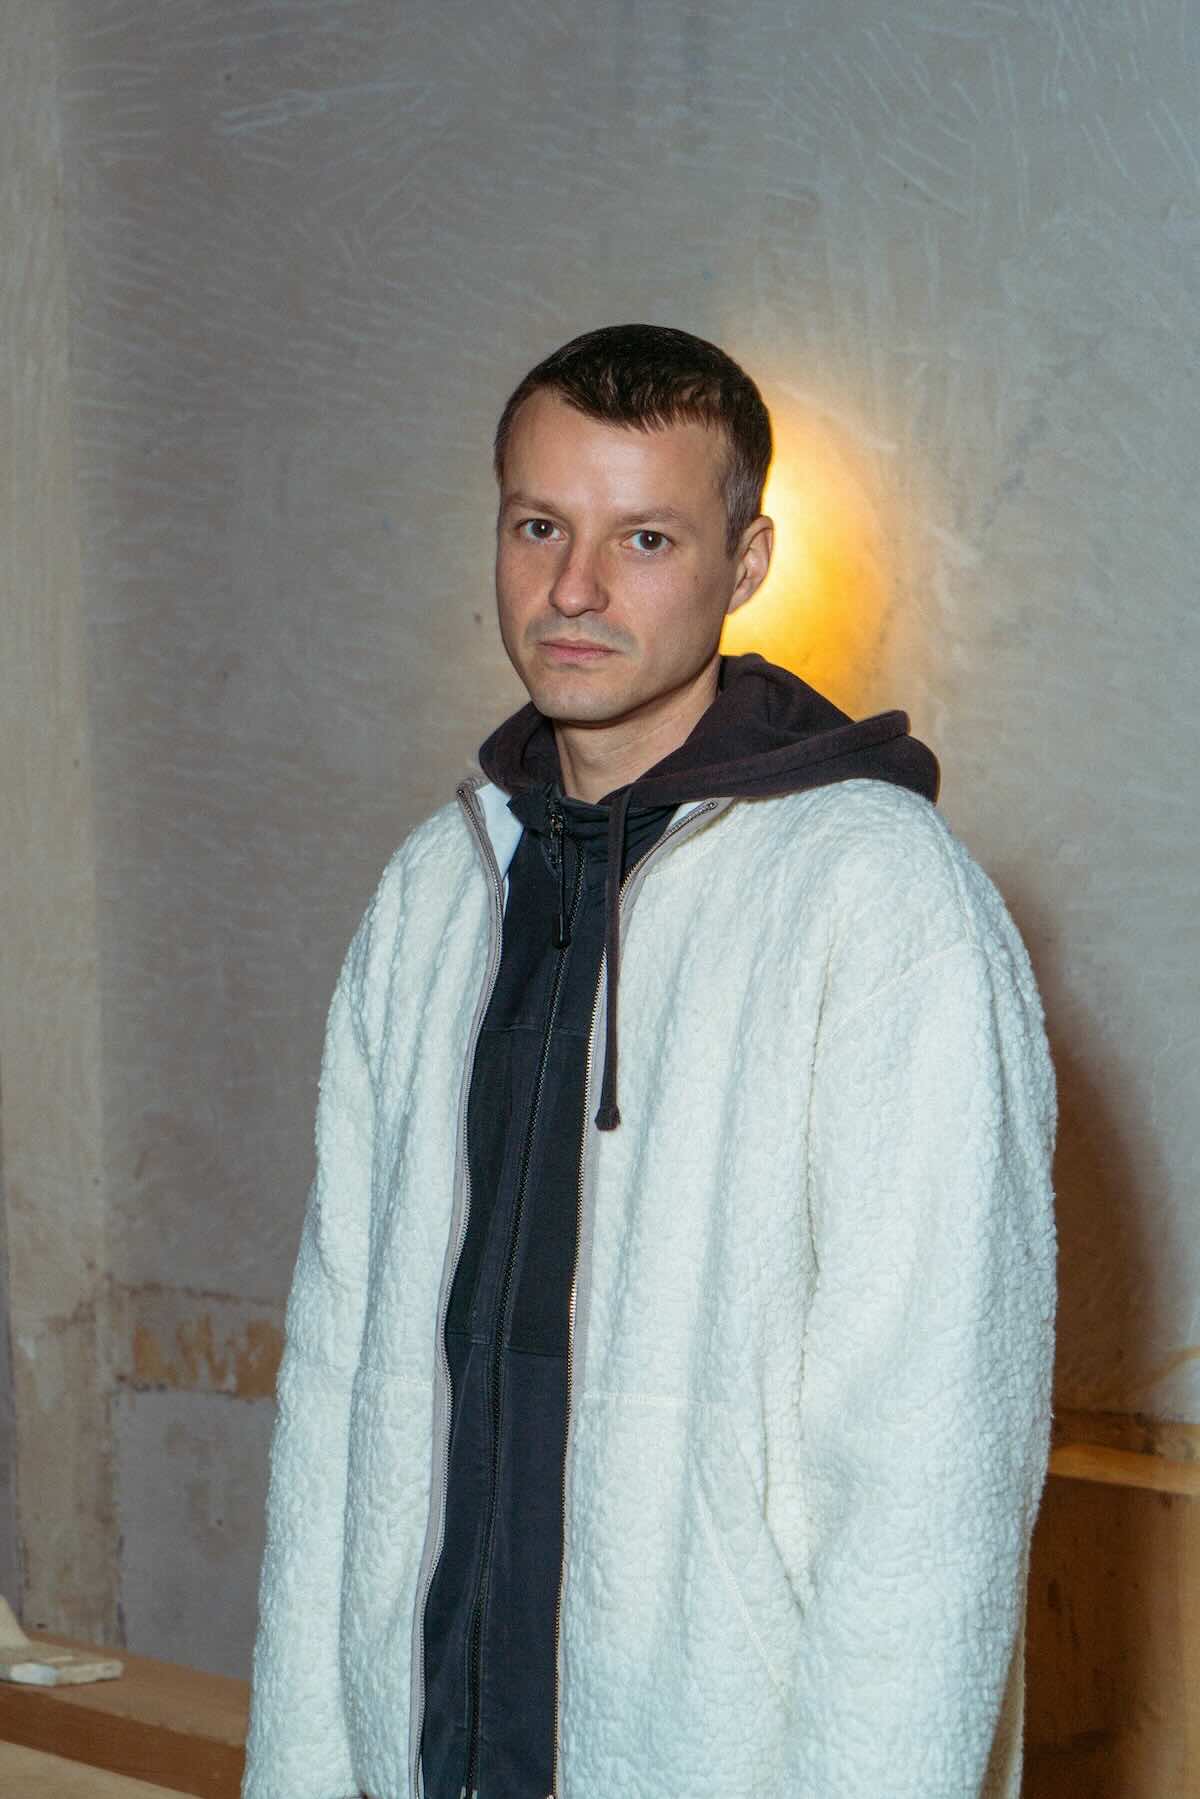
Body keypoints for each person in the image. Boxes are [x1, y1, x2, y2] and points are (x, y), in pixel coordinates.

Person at [242, 323, 1057, 1799]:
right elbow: (337, 1389)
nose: (574, 589)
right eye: (541, 526)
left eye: (647, 538)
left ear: (746, 564)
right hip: (424, 1749)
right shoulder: (435, 889)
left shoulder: (885, 908)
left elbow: (930, 1469)